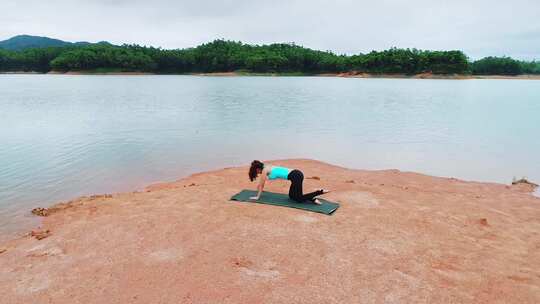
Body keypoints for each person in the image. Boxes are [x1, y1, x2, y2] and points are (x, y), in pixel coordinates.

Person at [248, 160, 330, 204]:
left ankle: (319, 192)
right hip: (296, 175)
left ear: (258, 169)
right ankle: (312, 199)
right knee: (291, 196)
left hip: (296, 176)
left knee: (299, 199)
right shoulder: (267, 167)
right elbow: (261, 182)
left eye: (256, 172)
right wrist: (259, 186)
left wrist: (258, 197)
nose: (257, 173)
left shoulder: (265, 170)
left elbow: (262, 184)